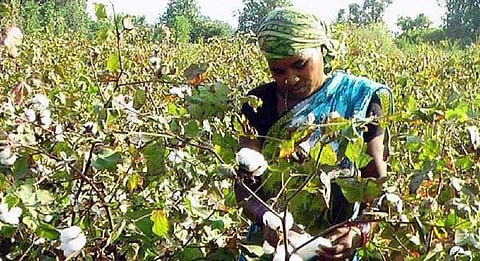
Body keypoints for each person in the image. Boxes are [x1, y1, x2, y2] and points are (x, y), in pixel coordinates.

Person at [234, 7, 393, 261]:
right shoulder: (257, 105)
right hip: (268, 249)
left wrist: (358, 233)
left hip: (333, 248)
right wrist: (267, 218)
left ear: (322, 49)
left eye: (300, 64)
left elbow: (377, 186)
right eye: (278, 71)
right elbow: (243, 186)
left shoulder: (360, 100)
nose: (291, 79)